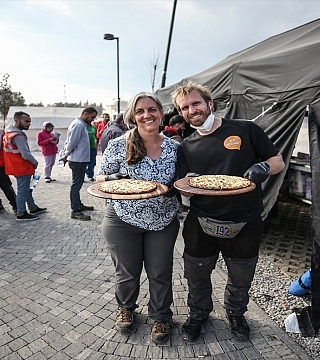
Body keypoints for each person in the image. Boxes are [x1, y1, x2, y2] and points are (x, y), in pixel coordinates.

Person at [172, 82, 285, 342]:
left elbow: (277, 161)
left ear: (210, 103)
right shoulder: (186, 146)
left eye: (196, 103)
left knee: (241, 275)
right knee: (196, 274)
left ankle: (236, 314)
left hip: (245, 220)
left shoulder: (245, 129)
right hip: (201, 221)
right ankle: (199, 313)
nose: (192, 110)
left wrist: (262, 168)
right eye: (185, 107)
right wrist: (189, 184)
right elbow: (186, 192)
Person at [97, 92, 180, 345]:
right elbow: (100, 178)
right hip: (123, 218)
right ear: (133, 115)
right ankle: (126, 308)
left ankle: (161, 316)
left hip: (162, 219)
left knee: (160, 271)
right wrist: (114, 180)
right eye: (141, 111)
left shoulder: (175, 147)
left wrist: (178, 188)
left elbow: (184, 180)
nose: (147, 115)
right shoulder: (119, 144)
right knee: (127, 271)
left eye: (152, 109)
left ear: (161, 113)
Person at [3, 111, 47, 221]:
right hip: (22, 166)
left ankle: (32, 208)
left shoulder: (8, 134)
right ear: (16, 120)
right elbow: (25, 154)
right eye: (26, 121)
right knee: (23, 191)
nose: (28, 124)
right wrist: (35, 162)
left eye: (29, 122)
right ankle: (21, 213)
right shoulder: (18, 136)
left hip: (15, 166)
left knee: (26, 189)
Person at [62, 108, 97, 221]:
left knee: (78, 183)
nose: (92, 120)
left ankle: (78, 204)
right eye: (91, 117)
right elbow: (72, 142)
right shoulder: (78, 125)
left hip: (80, 159)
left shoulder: (80, 125)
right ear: (85, 114)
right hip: (77, 160)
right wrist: (66, 155)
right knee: (76, 185)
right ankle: (75, 210)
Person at [85, 112, 98, 182]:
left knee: (92, 163)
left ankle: (90, 175)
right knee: (83, 163)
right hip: (84, 149)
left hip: (92, 148)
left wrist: (96, 144)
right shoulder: (83, 127)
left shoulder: (93, 128)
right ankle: (83, 174)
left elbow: (96, 137)